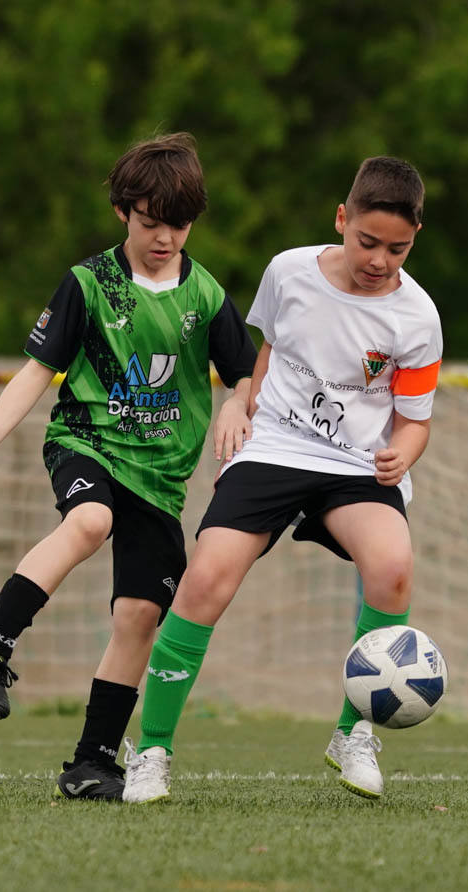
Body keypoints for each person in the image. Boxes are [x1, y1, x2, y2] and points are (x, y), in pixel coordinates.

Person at [0, 132, 256, 801]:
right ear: (123, 212)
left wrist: (239, 403)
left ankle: (92, 763)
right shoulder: (90, 284)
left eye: (177, 224)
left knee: (142, 614)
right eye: (150, 223)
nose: (164, 237)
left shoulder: (205, 295)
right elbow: (38, 370)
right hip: (86, 443)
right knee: (88, 520)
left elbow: (246, 374)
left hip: (161, 477)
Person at [122, 156, 443, 804]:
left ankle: (353, 734)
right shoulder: (290, 271)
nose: (380, 259)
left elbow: (414, 421)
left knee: (393, 567)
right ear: (341, 219)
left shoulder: (418, 317)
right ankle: (150, 747)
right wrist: (240, 405)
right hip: (275, 445)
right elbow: (266, 357)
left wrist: (403, 453)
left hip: (354, 465)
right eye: (367, 241)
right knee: (207, 576)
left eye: (398, 248)